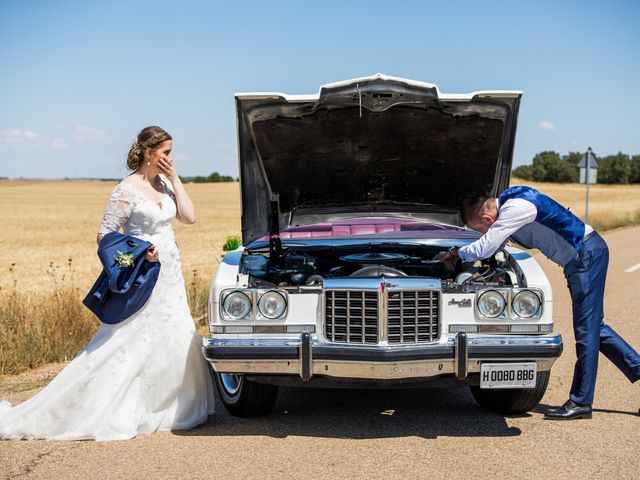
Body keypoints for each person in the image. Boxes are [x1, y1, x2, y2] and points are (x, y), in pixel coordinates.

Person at [0, 126, 215, 440]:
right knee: (127, 340)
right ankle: (111, 407)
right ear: (148, 152)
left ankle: (169, 407)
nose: (170, 157)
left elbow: (189, 217)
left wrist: (176, 179)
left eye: (171, 152)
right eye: (166, 152)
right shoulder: (126, 190)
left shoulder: (166, 185)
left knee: (176, 332)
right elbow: (104, 237)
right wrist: (138, 255)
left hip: (171, 273)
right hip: (143, 274)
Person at [437, 185, 640, 420]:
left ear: (487, 217)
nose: (484, 232)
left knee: (587, 331)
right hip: (582, 259)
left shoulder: (515, 208)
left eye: (480, 228)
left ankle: (581, 401)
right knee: (597, 330)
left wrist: (455, 252)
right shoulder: (511, 203)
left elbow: (487, 246)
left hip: (586, 256)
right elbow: (501, 242)